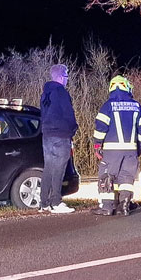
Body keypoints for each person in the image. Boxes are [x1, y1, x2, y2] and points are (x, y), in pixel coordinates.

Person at [92, 74, 141, 215]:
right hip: (131, 150)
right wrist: (140, 143)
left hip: (111, 150)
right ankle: (124, 205)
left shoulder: (107, 106)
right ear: (127, 88)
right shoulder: (136, 106)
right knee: (127, 177)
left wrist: (97, 145)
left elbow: (100, 127)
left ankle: (107, 206)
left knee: (106, 175)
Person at [38, 64, 78, 213]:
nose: (67, 79)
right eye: (66, 76)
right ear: (61, 77)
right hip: (61, 134)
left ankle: (44, 203)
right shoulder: (61, 92)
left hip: (47, 135)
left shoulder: (45, 94)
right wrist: (73, 129)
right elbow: (68, 113)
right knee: (59, 169)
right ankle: (56, 202)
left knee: (49, 168)